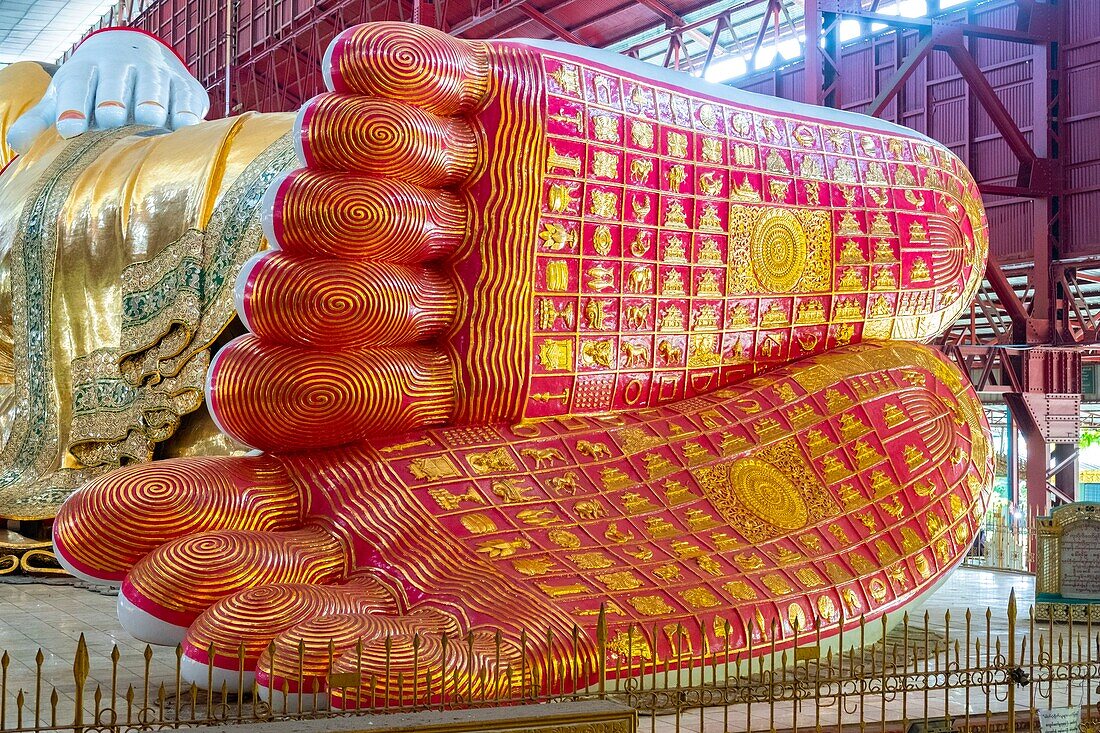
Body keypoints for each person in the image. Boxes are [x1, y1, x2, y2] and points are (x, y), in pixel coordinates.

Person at [37, 22, 989, 700]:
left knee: (344, 203)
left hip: (124, 206)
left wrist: (105, 56)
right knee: (327, 255)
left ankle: (505, 223)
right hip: (254, 381)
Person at [0, 29, 295, 558]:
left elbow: (35, 101)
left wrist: (116, 49)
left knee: (271, 170)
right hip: (48, 228)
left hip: (75, 180)